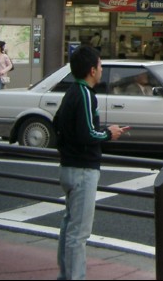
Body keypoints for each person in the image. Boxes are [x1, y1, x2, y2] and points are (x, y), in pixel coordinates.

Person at [53, 46, 126, 280]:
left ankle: (65, 275)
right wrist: (108, 133)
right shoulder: (85, 95)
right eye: (101, 66)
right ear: (92, 70)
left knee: (69, 226)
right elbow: (88, 133)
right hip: (83, 169)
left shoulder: (71, 92)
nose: (102, 70)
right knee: (79, 233)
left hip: (68, 166)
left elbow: (58, 125)